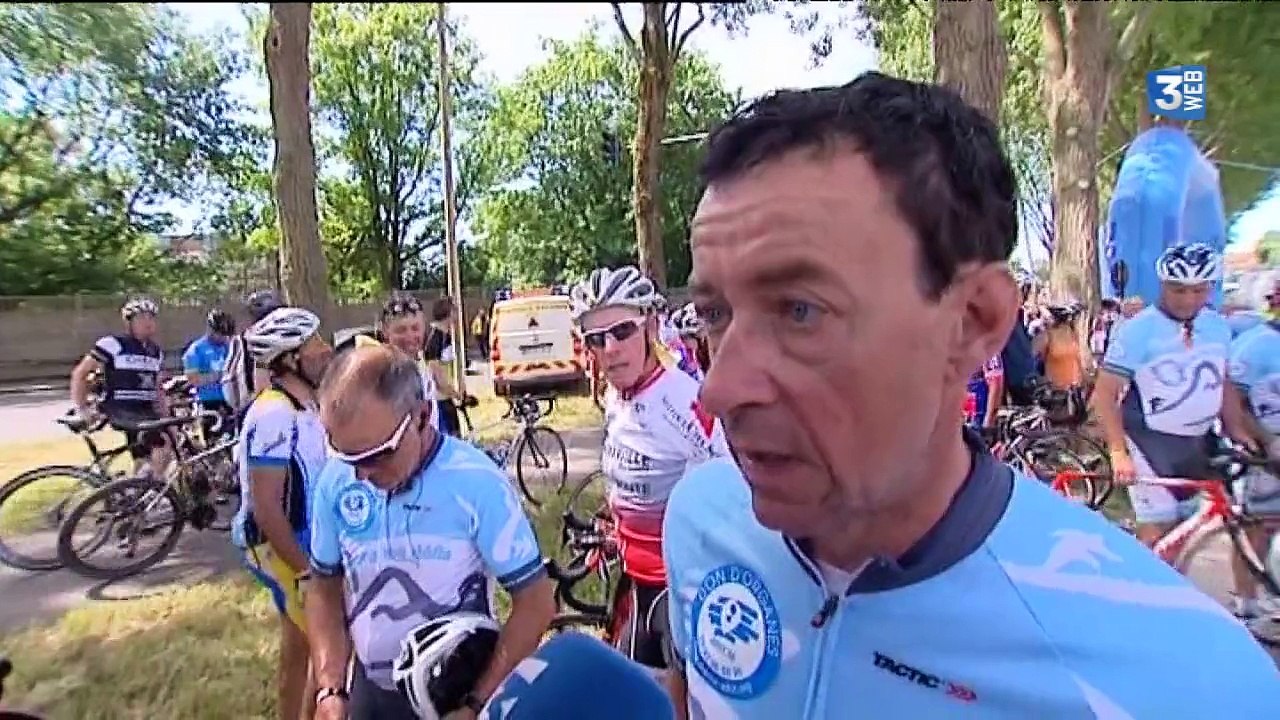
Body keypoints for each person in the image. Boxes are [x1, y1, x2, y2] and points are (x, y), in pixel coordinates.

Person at [663, 72, 1279, 718]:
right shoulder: (702, 519)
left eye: (799, 310)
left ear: (976, 320)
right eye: (714, 313)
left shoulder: (1191, 690)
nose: (719, 388)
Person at [307, 345, 555, 720]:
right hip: (371, 694)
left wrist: (476, 703)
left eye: (378, 454)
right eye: (347, 457)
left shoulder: (476, 482)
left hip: (454, 695)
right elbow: (323, 588)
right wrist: (330, 687)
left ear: (422, 416)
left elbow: (535, 603)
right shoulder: (336, 480)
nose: (361, 474)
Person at [569, 266, 730, 669]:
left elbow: (731, 497)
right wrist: (614, 522)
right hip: (635, 581)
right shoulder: (616, 395)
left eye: (622, 331)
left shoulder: (684, 402)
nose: (610, 348)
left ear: (651, 327)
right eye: (596, 338)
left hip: (681, 588)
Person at [1093, 244, 1261, 550]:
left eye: (1198, 290)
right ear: (1163, 284)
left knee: (1186, 533)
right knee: (1157, 533)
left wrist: (1236, 428)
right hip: (1149, 442)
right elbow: (1104, 395)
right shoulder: (1138, 330)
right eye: (1178, 289)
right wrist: (1117, 451)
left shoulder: (1217, 326)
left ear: (1210, 287)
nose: (1188, 299)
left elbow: (1221, 382)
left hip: (1197, 441)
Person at [232, 307, 332, 720]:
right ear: (290, 359)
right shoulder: (274, 414)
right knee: (326, 644)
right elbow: (266, 506)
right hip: (278, 545)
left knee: (300, 644)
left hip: (306, 535)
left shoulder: (307, 403)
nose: (326, 350)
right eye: (314, 344)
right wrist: (306, 570)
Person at [69, 297, 169, 475]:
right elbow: (80, 373)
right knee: (163, 444)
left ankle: (139, 488)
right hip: (120, 409)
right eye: (141, 318)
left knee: (145, 456)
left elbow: (157, 388)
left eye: (151, 318)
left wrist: (166, 414)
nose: (148, 323)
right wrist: (81, 408)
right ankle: (155, 487)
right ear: (129, 322)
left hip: (145, 411)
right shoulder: (113, 344)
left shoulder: (156, 352)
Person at [1225, 315, 1280, 618]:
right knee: (1259, 527)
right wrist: (1267, 441)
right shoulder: (1257, 345)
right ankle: (1246, 603)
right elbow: (1232, 403)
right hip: (1264, 453)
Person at [354, 294, 440, 431]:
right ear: (385, 331)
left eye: (415, 328)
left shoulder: (421, 365)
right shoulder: (380, 374)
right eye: (401, 330)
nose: (409, 336)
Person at [221, 289, 283, 415]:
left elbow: (228, 380)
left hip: (263, 406)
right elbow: (230, 380)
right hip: (256, 407)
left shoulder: (242, 340)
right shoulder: (242, 341)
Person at [183, 308, 234, 439]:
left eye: (226, 335)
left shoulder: (228, 346)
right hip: (208, 401)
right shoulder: (196, 350)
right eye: (220, 334)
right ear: (210, 329)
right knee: (212, 439)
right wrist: (219, 375)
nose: (224, 338)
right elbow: (193, 379)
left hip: (230, 400)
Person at [424, 297, 469, 437]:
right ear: (449, 313)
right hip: (440, 403)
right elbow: (438, 379)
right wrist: (456, 394)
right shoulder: (435, 340)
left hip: (448, 399)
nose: (457, 315)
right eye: (455, 310)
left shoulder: (446, 337)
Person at [1032, 302, 1087, 390]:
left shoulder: (1073, 334)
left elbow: (1078, 357)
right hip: (1054, 387)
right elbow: (1032, 354)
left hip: (1072, 386)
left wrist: (1083, 376)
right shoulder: (1047, 335)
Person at [668, 302, 707, 382]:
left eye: (684, 337)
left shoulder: (707, 350)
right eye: (681, 337)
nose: (682, 341)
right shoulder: (679, 353)